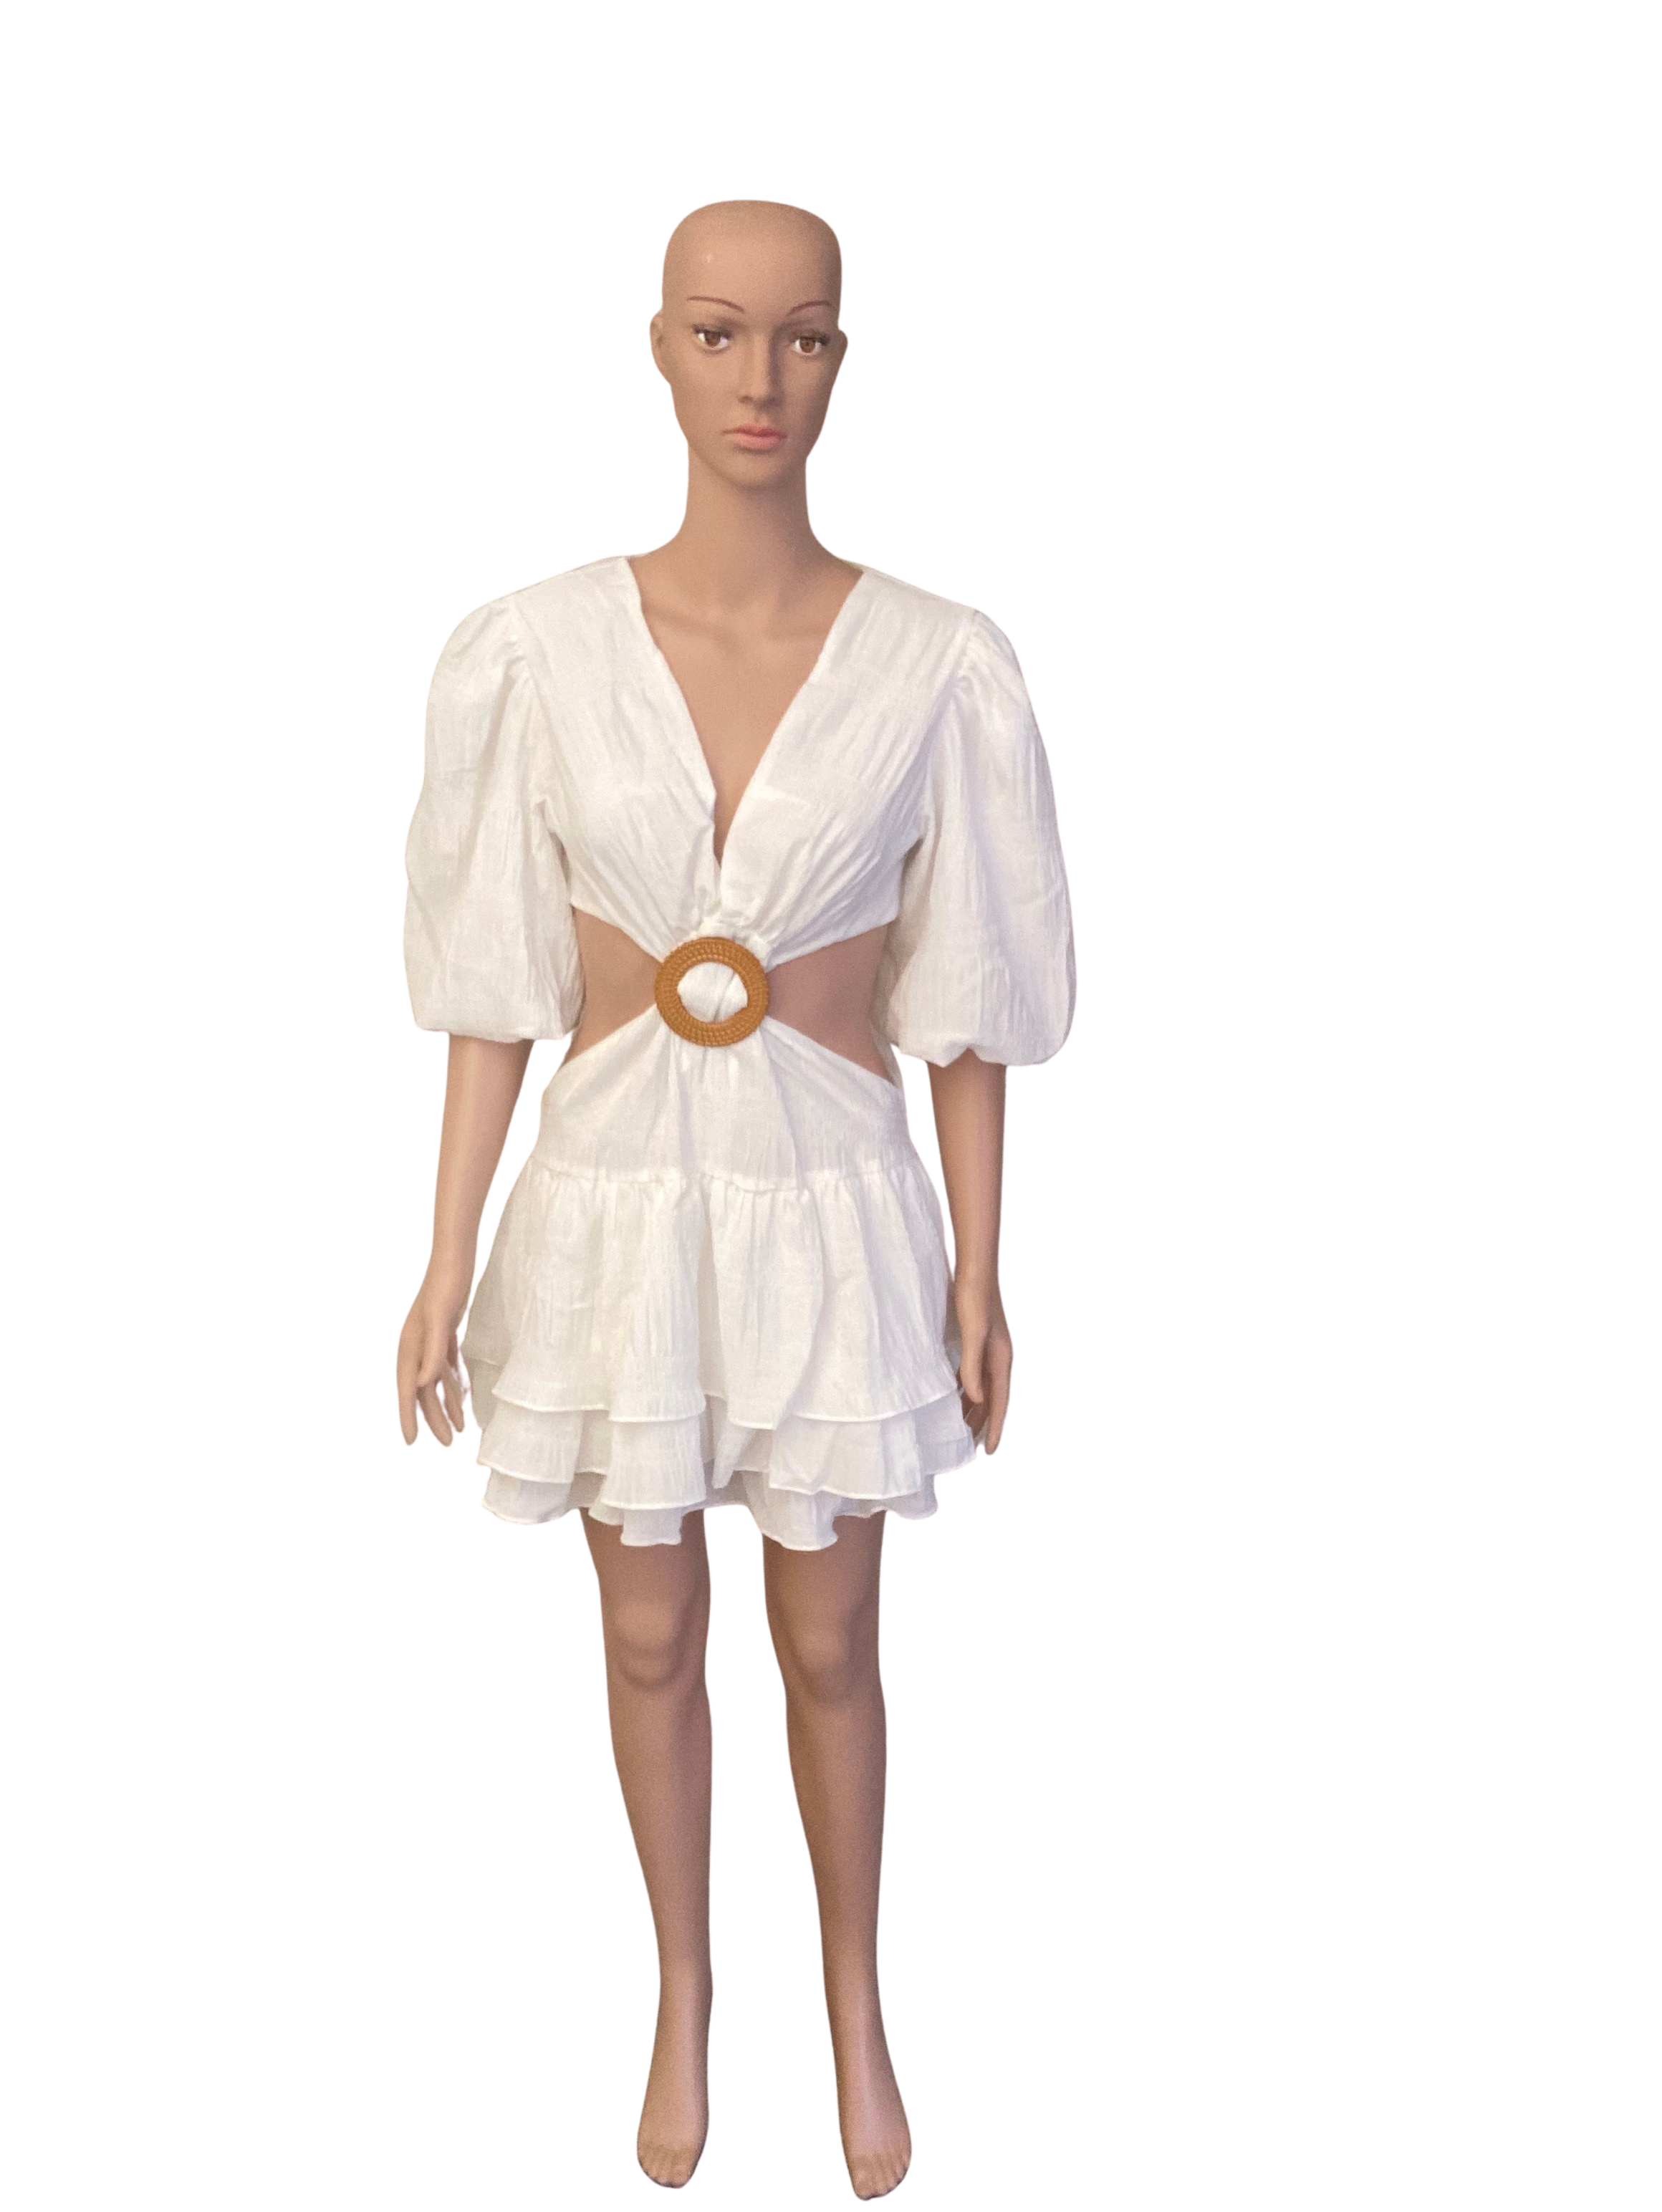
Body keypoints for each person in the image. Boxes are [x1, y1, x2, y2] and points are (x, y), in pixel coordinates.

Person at [393, 198, 1075, 2201]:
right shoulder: (527, 651)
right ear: (660, 349)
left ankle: (854, 2002)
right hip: (611, 1197)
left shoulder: (942, 661)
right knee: (645, 1632)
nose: (761, 377)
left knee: (837, 1635)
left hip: (828, 1194)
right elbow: (496, 983)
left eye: (804, 335)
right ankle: (687, 1995)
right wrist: (442, 1256)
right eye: (719, 332)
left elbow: (968, 994)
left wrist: (981, 1267)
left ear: (845, 356)